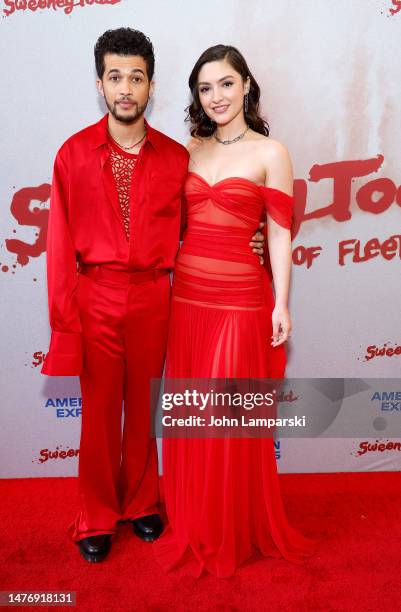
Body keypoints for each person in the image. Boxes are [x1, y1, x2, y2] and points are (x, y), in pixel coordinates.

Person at [41, 29, 265, 563]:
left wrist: (250, 233)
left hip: (154, 296)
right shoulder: (71, 154)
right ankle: (95, 515)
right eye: (115, 77)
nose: (125, 88)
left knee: (145, 408)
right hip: (95, 292)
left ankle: (142, 503)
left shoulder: (174, 157)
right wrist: (65, 322)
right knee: (98, 414)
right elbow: (58, 248)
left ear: (150, 86)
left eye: (135, 78)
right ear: (100, 84)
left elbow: (208, 217)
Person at [153, 45, 315, 578]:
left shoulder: (272, 151)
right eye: (205, 88)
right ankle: (197, 520)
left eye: (225, 84)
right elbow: (168, 223)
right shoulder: (188, 151)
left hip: (242, 300)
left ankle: (232, 526)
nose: (216, 97)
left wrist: (283, 303)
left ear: (246, 84)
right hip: (187, 298)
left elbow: (279, 232)